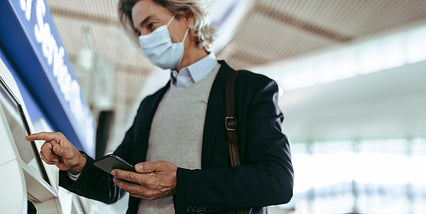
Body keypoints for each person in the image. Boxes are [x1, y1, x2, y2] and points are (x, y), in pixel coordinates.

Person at [25, 0, 293, 213]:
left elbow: (278, 180)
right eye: (139, 32)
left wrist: (180, 182)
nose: (144, 39)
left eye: (151, 25)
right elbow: (114, 184)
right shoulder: (151, 105)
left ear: (187, 16)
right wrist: (77, 164)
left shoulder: (248, 90)